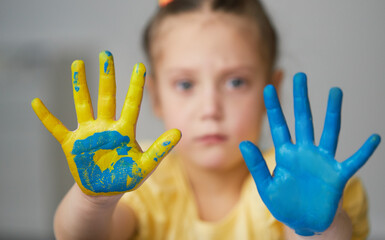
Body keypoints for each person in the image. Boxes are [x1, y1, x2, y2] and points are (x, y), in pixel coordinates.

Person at [31, 0, 381, 239]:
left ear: (269, 88)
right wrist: (94, 199)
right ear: (155, 97)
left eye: (235, 82)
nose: (210, 107)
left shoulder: (309, 184)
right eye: (185, 84)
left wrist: (319, 223)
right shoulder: (143, 190)